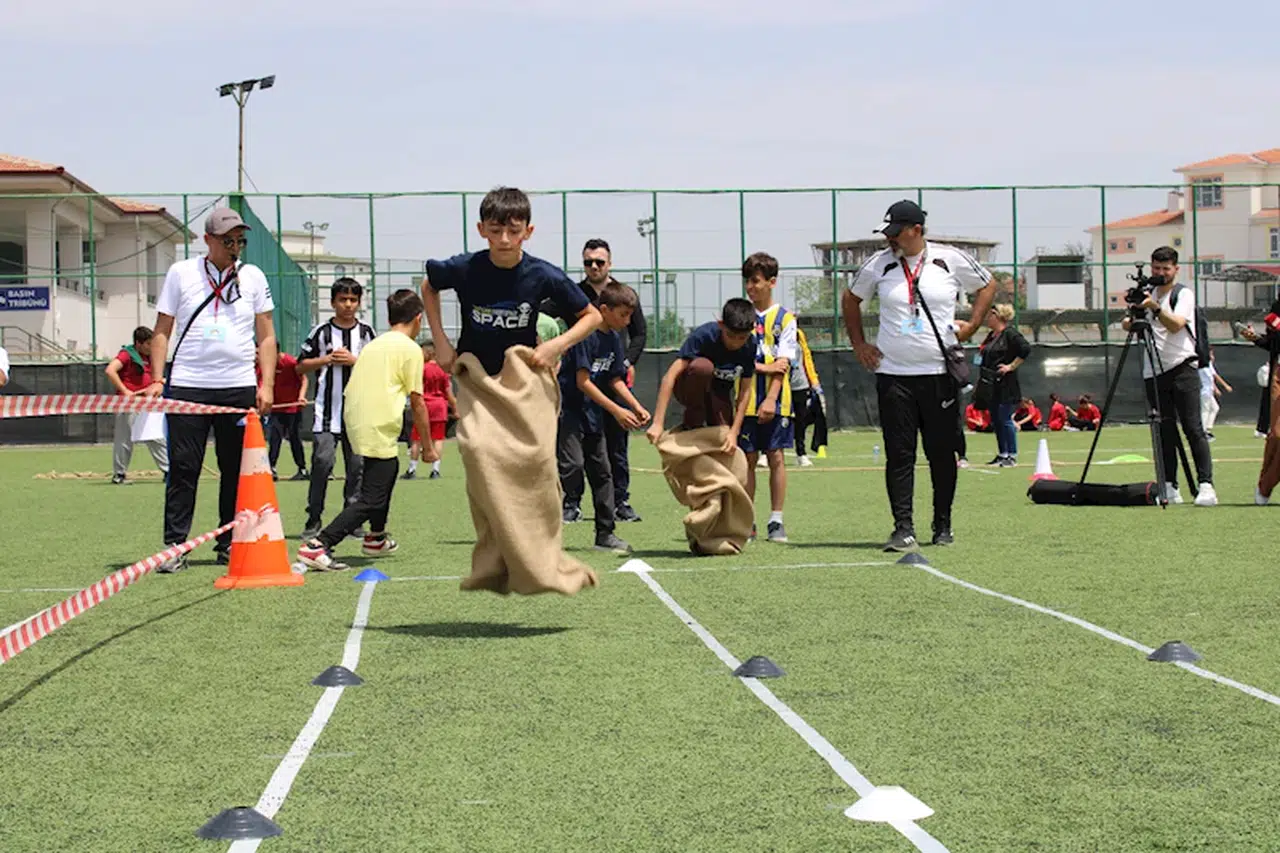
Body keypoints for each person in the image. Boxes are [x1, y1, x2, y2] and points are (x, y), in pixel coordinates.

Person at [842, 200, 997, 551]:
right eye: (888, 233)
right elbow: (850, 299)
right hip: (893, 374)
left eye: (896, 232)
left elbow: (987, 285)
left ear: (916, 230)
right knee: (900, 454)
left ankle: (943, 524)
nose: (891, 239)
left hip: (939, 373)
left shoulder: (949, 258)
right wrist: (859, 344)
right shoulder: (878, 263)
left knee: (941, 453)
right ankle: (903, 527)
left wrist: (973, 325)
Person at [145, 207, 276, 572]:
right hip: (188, 385)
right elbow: (162, 330)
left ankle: (229, 543)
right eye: (227, 240)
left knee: (236, 470)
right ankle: (175, 546)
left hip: (238, 387)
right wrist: (157, 379)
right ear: (208, 240)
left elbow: (267, 336)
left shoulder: (253, 276)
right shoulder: (181, 273)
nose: (235, 247)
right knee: (183, 468)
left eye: (240, 241)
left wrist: (266, 384)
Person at [297, 290, 431, 571]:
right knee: (372, 496)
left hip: (356, 419)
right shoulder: (410, 350)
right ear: (418, 319)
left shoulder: (374, 343)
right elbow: (418, 402)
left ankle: (376, 538)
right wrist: (428, 447)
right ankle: (318, 544)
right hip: (377, 424)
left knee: (386, 473)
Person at [554, 239, 648, 523]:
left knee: (607, 462)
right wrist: (551, 346)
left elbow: (617, 376)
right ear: (603, 310)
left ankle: (610, 517)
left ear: (609, 263)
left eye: (599, 261)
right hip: (574, 405)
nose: (593, 266)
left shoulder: (616, 331)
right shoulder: (584, 327)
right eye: (588, 262)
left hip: (598, 404)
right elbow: (583, 382)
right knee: (573, 462)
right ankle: (570, 504)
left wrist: (635, 406)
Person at [1122, 246, 1216, 506]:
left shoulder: (1182, 294)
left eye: (1165, 269)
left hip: (1182, 366)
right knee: (1163, 429)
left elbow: (1175, 325)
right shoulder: (1148, 293)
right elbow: (1127, 324)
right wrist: (1133, 314)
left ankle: (1206, 485)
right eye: (1156, 268)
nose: (1160, 273)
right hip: (1153, 369)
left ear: (1176, 269)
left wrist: (1154, 307)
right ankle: (1169, 485)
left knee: (1192, 427)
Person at [297, 278, 376, 540]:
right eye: (343, 299)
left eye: (353, 300)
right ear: (333, 302)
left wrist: (354, 360)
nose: (348, 305)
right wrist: (326, 359)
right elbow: (300, 366)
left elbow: (377, 366)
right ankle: (313, 517)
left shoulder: (367, 332)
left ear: (359, 303)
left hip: (357, 412)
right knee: (322, 462)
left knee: (357, 467)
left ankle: (351, 520)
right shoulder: (320, 332)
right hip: (326, 412)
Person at [737, 252, 797, 543]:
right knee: (747, 459)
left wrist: (771, 399)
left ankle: (776, 520)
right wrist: (763, 366)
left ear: (772, 282)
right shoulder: (739, 317)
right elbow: (738, 358)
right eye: (747, 281)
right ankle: (746, 520)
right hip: (745, 401)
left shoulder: (785, 319)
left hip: (778, 401)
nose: (750, 287)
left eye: (756, 281)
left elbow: (783, 364)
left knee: (776, 456)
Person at [646, 298, 756, 452]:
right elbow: (669, 377)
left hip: (718, 394)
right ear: (721, 325)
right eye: (730, 335)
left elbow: (745, 391)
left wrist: (734, 432)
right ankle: (694, 419)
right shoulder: (704, 335)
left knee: (724, 441)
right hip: (689, 387)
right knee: (703, 367)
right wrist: (658, 423)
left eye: (742, 338)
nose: (735, 343)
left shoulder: (750, 345)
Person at [104, 326, 169, 484]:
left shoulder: (151, 357)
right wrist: (125, 391)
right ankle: (119, 474)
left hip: (147, 403)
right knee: (124, 440)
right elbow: (110, 370)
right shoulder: (127, 354)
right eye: (148, 344)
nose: (151, 347)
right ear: (138, 343)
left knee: (155, 436)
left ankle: (169, 471)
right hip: (128, 404)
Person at [977, 303, 1032, 467]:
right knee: (996, 419)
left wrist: (1011, 366)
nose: (988, 318)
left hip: (1006, 384)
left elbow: (1025, 349)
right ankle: (1002, 454)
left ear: (998, 316)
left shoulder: (1010, 334)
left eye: (991, 315)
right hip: (990, 384)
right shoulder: (991, 336)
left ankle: (1012, 455)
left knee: (1005, 418)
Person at [1239, 303, 1280, 503]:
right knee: (1277, 435)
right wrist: (1255, 338)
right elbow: (1272, 344)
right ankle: (1264, 485)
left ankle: (1265, 486)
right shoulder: (1277, 309)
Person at [404, 342, 456, 480]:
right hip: (439, 407)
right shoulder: (442, 371)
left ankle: (412, 470)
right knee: (438, 439)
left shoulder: (421, 369)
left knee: (417, 439)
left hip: (424, 406)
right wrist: (455, 408)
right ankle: (435, 470)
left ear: (428, 353)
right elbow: (448, 392)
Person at [259, 350, 309, 481]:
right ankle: (271, 469)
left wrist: (301, 396)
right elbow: (261, 383)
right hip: (276, 408)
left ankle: (302, 469)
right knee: (274, 438)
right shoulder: (264, 364)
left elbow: (304, 379)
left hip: (293, 408)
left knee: (294, 438)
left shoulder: (290, 363)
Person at [791, 326, 827, 467]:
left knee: (801, 419)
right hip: (781, 383)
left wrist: (814, 382)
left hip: (800, 384)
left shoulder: (799, 334)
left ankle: (801, 453)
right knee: (776, 418)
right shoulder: (774, 332)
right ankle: (765, 453)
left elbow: (807, 358)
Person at [1198, 346, 1232, 440]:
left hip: (1209, 391)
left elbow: (1211, 379)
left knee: (1215, 408)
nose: (1213, 356)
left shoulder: (1208, 364)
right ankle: (1203, 432)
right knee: (1205, 411)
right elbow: (1215, 376)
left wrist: (1215, 389)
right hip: (1204, 392)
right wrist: (1226, 386)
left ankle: (1207, 429)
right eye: (1211, 354)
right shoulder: (1202, 365)